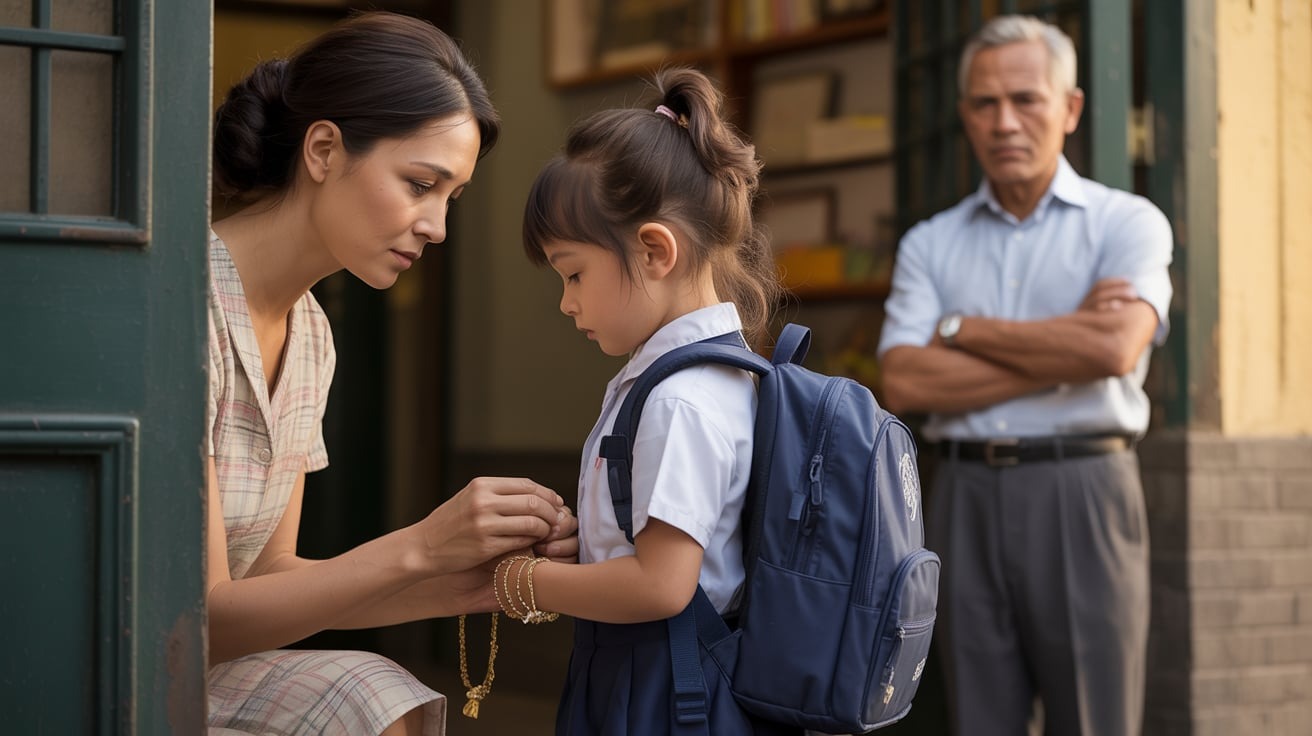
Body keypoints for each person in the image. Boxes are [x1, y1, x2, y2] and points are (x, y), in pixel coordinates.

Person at [206, 12, 578, 736]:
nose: (436, 226)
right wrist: (422, 545)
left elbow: (271, 580)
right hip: (106, 667)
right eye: (419, 184)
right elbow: (202, 619)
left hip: (204, 662)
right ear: (322, 149)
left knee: (382, 696)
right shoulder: (181, 311)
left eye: (450, 198)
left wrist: (469, 583)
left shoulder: (312, 335)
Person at [876, 15, 1173, 736]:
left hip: (1084, 490)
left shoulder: (1126, 223)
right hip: (964, 494)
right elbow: (905, 382)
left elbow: (1113, 350)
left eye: (1027, 99)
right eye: (984, 103)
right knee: (979, 717)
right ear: (965, 115)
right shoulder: (930, 243)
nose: (1004, 121)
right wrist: (1064, 343)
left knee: (1093, 717)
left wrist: (963, 331)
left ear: (1070, 108)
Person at [513, 67, 798, 736]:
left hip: (663, 692)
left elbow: (660, 585)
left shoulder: (682, 399)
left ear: (653, 250)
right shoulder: (712, 377)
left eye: (574, 272)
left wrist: (518, 581)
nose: (567, 302)